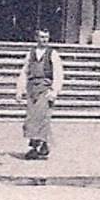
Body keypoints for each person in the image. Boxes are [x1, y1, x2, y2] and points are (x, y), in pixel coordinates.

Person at [14, 28, 64, 160]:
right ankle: (44, 145)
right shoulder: (30, 54)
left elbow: (58, 74)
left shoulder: (52, 54)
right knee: (31, 118)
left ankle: (35, 147)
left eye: (46, 37)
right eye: (42, 37)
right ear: (36, 38)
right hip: (32, 90)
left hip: (45, 89)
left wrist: (54, 91)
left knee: (42, 118)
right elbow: (25, 72)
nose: (44, 40)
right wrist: (20, 90)